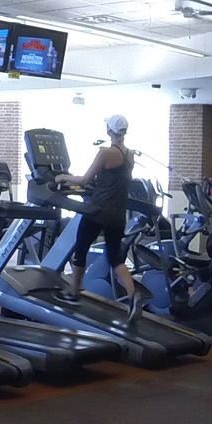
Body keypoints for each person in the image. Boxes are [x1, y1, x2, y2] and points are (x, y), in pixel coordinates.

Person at [64, 114, 138, 308]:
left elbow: (84, 180)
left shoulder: (105, 153)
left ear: (109, 131)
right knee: (115, 259)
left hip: (98, 211)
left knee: (80, 250)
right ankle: (133, 295)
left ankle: (73, 292)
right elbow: (117, 179)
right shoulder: (130, 155)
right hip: (118, 214)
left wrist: (62, 177)